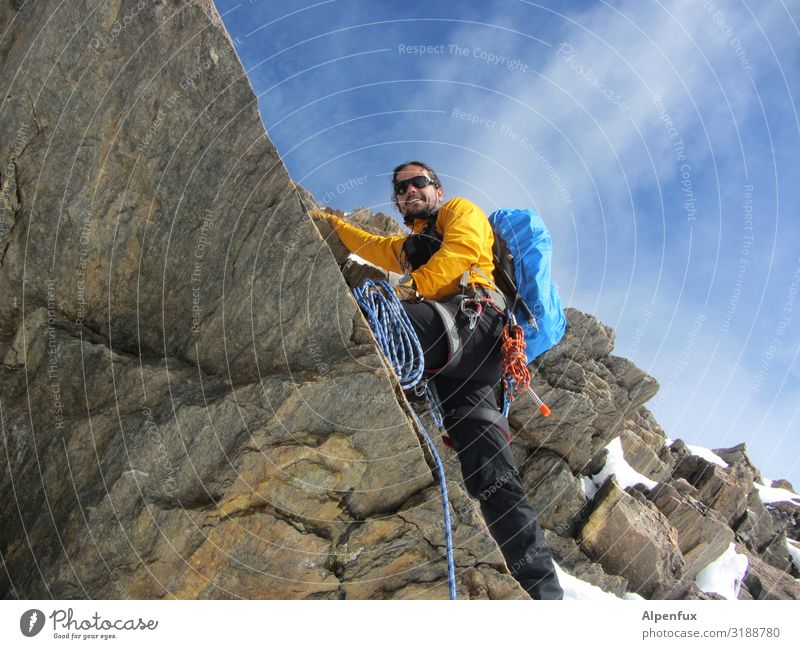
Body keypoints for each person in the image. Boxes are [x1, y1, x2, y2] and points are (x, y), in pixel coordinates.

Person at [312, 161, 564, 600]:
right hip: (470, 366)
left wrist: (410, 291)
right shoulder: (411, 246)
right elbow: (372, 245)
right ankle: (543, 593)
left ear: (438, 190)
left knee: (374, 325)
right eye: (401, 188)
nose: (409, 190)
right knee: (494, 478)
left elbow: (462, 253)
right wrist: (331, 224)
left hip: (474, 322)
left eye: (418, 182)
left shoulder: (460, 212)